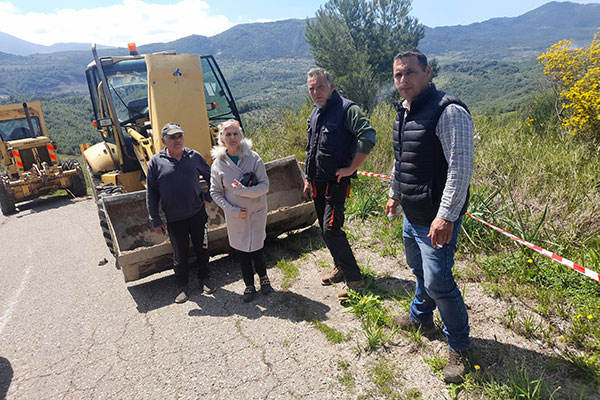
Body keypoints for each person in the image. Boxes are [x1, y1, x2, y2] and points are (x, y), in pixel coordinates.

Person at [385, 50, 475, 384]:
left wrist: (446, 216)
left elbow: (460, 168)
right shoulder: (404, 110)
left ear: (427, 72)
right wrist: (394, 194)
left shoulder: (448, 111)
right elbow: (401, 159)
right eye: (398, 74)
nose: (403, 80)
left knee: (439, 281)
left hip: (436, 218)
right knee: (419, 270)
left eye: (410, 72)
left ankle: (460, 347)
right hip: (412, 213)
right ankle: (421, 318)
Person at [304, 68, 377, 302]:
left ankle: (355, 279)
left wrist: (351, 168)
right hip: (317, 182)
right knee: (324, 229)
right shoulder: (316, 112)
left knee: (331, 230)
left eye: (320, 87)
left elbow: (368, 136)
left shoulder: (347, 109)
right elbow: (311, 148)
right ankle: (340, 266)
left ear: (331, 86)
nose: (316, 92)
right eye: (311, 88)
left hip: (336, 183)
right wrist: (307, 178)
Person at [146, 122, 214, 304]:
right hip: (174, 219)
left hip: (197, 214)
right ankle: (183, 287)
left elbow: (211, 176)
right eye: (172, 137)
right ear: (164, 140)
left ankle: (205, 280)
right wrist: (155, 219)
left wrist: (208, 195)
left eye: (179, 136)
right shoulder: (155, 162)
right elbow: (151, 193)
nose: (177, 140)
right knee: (180, 255)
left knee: (202, 249)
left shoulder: (194, 156)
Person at [210, 120, 272, 303]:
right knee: (242, 251)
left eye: (235, 134)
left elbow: (265, 186)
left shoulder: (253, 158)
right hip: (236, 216)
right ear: (222, 138)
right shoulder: (218, 165)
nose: (232, 138)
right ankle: (249, 285)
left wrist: (243, 191)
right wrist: (232, 210)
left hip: (256, 211)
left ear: (241, 136)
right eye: (228, 134)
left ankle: (264, 278)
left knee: (257, 248)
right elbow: (215, 192)